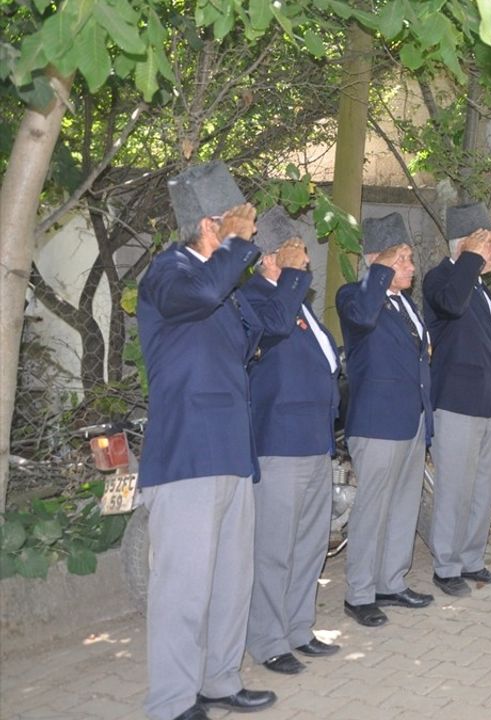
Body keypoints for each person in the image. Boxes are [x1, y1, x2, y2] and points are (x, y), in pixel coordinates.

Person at [136, 161, 276, 720]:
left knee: (229, 581)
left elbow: (256, 334)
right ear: (210, 225)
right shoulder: (168, 271)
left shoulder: (225, 283)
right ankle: (171, 702)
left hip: (230, 451)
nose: (250, 233)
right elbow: (198, 295)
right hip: (188, 453)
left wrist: (273, 275)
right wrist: (237, 252)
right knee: (182, 588)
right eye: (238, 223)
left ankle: (219, 681)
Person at [241, 207, 343, 675]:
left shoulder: (295, 301)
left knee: (309, 545)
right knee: (274, 550)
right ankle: (267, 639)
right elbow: (274, 331)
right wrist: (290, 280)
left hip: (315, 442)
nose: (307, 257)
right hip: (278, 445)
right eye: (298, 248)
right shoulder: (256, 298)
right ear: (270, 258)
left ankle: (299, 628)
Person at [336, 212, 435, 628]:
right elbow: (361, 317)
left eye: (411, 258)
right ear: (377, 261)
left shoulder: (405, 304)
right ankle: (359, 594)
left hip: (410, 419)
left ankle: (391, 582)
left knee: (403, 505)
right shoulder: (353, 296)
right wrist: (380, 269)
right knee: (373, 509)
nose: (412, 266)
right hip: (376, 423)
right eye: (402, 258)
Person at [422, 203, 491, 596]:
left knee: (482, 488)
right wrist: (471, 259)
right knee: (454, 489)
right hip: (456, 403)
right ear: (466, 245)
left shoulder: (479, 288)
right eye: (487, 242)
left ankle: (472, 559)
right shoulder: (440, 280)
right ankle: (446, 566)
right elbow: (452, 306)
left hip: (487, 403)